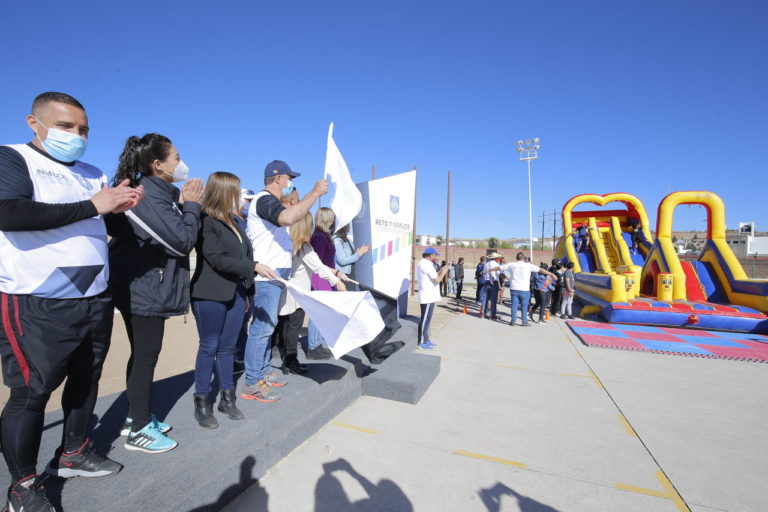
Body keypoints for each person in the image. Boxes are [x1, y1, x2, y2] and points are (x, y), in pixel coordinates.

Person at [0, 92, 142, 510]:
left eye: (83, 129)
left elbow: (102, 222)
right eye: (65, 127)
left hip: (94, 295)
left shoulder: (92, 172)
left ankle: (73, 453)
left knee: (87, 380)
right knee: (31, 392)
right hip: (37, 299)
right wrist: (94, 204)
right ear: (34, 122)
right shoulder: (13, 158)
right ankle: (23, 486)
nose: (76, 135)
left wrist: (120, 207)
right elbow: (8, 213)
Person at [108, 133, 204, 453]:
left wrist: (183, 201)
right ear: (158, 164)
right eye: (176, 157)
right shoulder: (147, 195)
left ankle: (136, 416)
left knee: (143, 356)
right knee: (146, 357)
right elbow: (180, 242)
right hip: (143, 289)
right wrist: (191, 206)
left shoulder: (160, 192)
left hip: (147, 286)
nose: (181, 162)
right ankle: (139, 430)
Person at [242, 160, 328, 402]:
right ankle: (252, 382)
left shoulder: (267, 202)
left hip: (276, 275)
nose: (290, 183)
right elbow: (288, 218)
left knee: (267, 328)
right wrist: (315, 193)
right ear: (278, 178)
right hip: (266, 277)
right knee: (261, 330)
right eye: (289, 178)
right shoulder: (264, 200)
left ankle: (262, 372)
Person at [189, 172, 255, 428]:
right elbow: (216, 259)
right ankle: (202, 402)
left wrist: (247, 292)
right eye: (236, 191)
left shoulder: (234, 222)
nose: (240, 197)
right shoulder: (205, 221)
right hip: (210, 294)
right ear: (224, 192)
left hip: (236, 294)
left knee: (228, 348)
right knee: (209, 347)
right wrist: (255, 267)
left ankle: (227, 398)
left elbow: (245, 255)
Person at [278, 213, 347, 374]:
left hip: (288, 291)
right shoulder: (303, 247)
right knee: (293, 328)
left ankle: (287, 361)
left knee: (286, 327)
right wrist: (335, 280)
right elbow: (318, 266)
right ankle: (290, 361)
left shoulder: (289, 243)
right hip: (298, 294)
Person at [306, 207, 339, 360]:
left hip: (327, 278)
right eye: (331, 218)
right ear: (327, 219)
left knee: (323, 314)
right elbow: (317, 262)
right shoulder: (319, 237)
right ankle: (313, 347)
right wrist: (335, 274)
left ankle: (318, 343)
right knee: (317, 314)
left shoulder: (325, 236)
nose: (333, 221)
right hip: (320, 279)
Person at [499, 253, 557, 326]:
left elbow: (500, 269)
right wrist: (551, 274)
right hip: (524, 289)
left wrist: (507, 278)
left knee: (514, 306)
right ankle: (524, 322)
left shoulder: (512, 264)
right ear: (523, 258)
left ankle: (513, 321)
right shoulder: (528, 265)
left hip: (514, 288)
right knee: (524, 306)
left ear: (516, 258)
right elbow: (540, 270)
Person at [416, 248, 450, 349]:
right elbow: (437, 279)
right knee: (425, 319)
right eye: (435, 255)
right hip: (427, 296)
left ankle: (426, 339)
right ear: (431, 255)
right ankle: (421, 342)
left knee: (428, 319)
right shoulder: (426, 264)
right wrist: (443, 272)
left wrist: (440, 270)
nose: (436, 257)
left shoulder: (426, 264)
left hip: (429, 296)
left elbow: (434, 276)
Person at [480, 252, 501, 320]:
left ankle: (483, 313)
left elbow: (484, 273)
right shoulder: (496, 264)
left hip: (487, 281)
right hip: (494, 282)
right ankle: (492, 314)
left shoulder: (486, 264)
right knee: (493, 299)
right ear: (495, 258)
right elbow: (498, 274)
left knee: (485, 298)